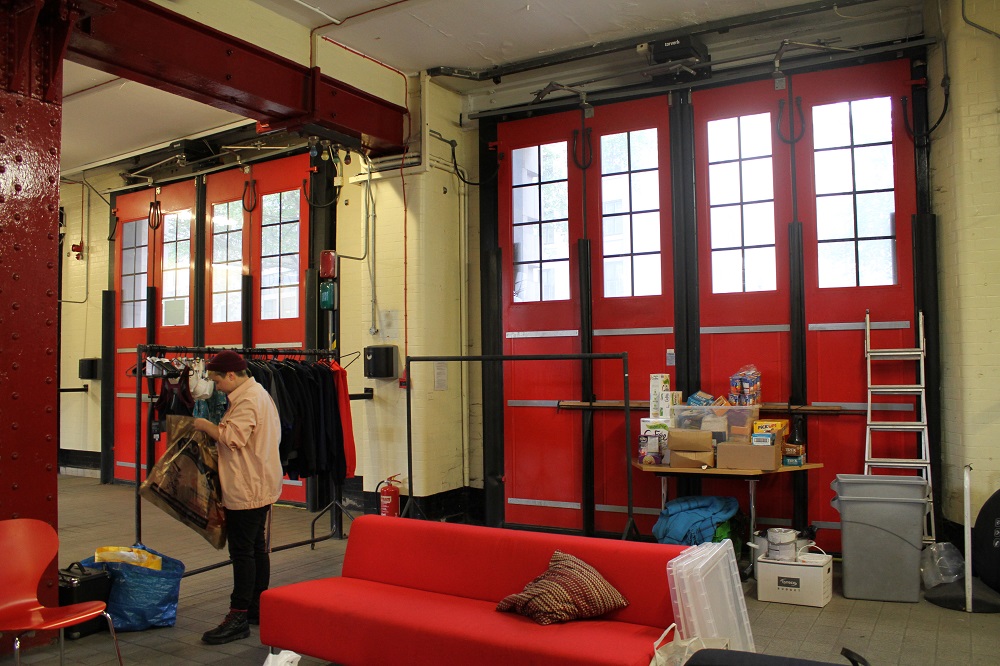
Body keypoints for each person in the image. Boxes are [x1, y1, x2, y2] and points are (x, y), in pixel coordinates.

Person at [192, 350, 283, 645]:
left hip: (248, 486)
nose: (216, 386)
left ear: (231, 375)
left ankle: (238, 615)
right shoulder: (259, 393)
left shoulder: (248, 399)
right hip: (260, 481)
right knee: (256, 548)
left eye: (217, 380)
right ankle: (257, 608)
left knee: (242, 552)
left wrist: (204, 425)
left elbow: (233, 438)